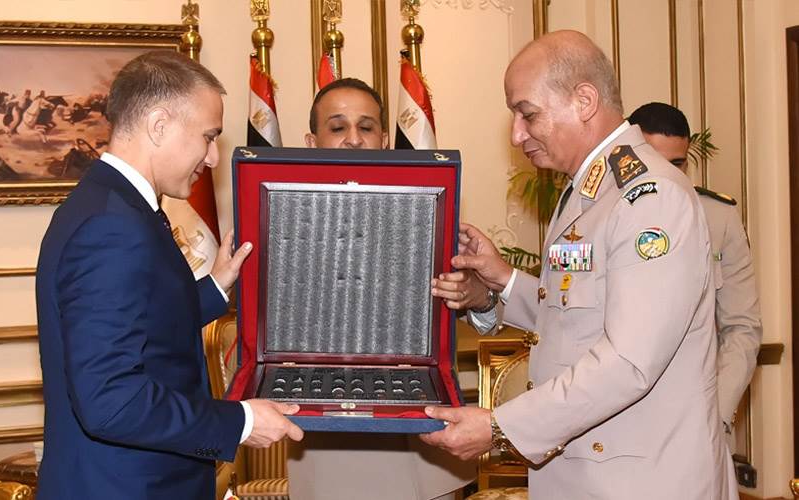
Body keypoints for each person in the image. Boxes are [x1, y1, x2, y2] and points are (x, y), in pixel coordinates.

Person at [426, 31, 737, 499]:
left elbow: (628, 360)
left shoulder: (649, 198)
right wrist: (499, 284)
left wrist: (500, 427)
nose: (516, 134)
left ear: (584, 101)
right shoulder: (590, 189)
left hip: (641, 484)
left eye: (528, 114)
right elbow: (577, 318)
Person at [35, 51, 303, 500]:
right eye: (208, 137)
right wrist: (240, 422)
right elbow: (111, 400)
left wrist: (215, 285)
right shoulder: (113, 224)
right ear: (159, 125)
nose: (213, 157)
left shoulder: (111, 205)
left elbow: (144, 320)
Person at [287, 78, 473, 500]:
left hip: (421, 445)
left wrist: (472, 294)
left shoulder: (430, 206)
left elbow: (467, 303)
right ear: (311, 142)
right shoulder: (286, 216)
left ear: (385, 140)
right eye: (338, 127)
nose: (354, 139)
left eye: (366, 127)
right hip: (331, 441)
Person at [628, 101, 762, 443]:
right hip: (621, 422)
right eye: (653, 160)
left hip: (699, 422)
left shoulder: (718, 217)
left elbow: (742, 327)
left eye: (677, 163)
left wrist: (716, 414)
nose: (665, 174)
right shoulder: (601, 215)